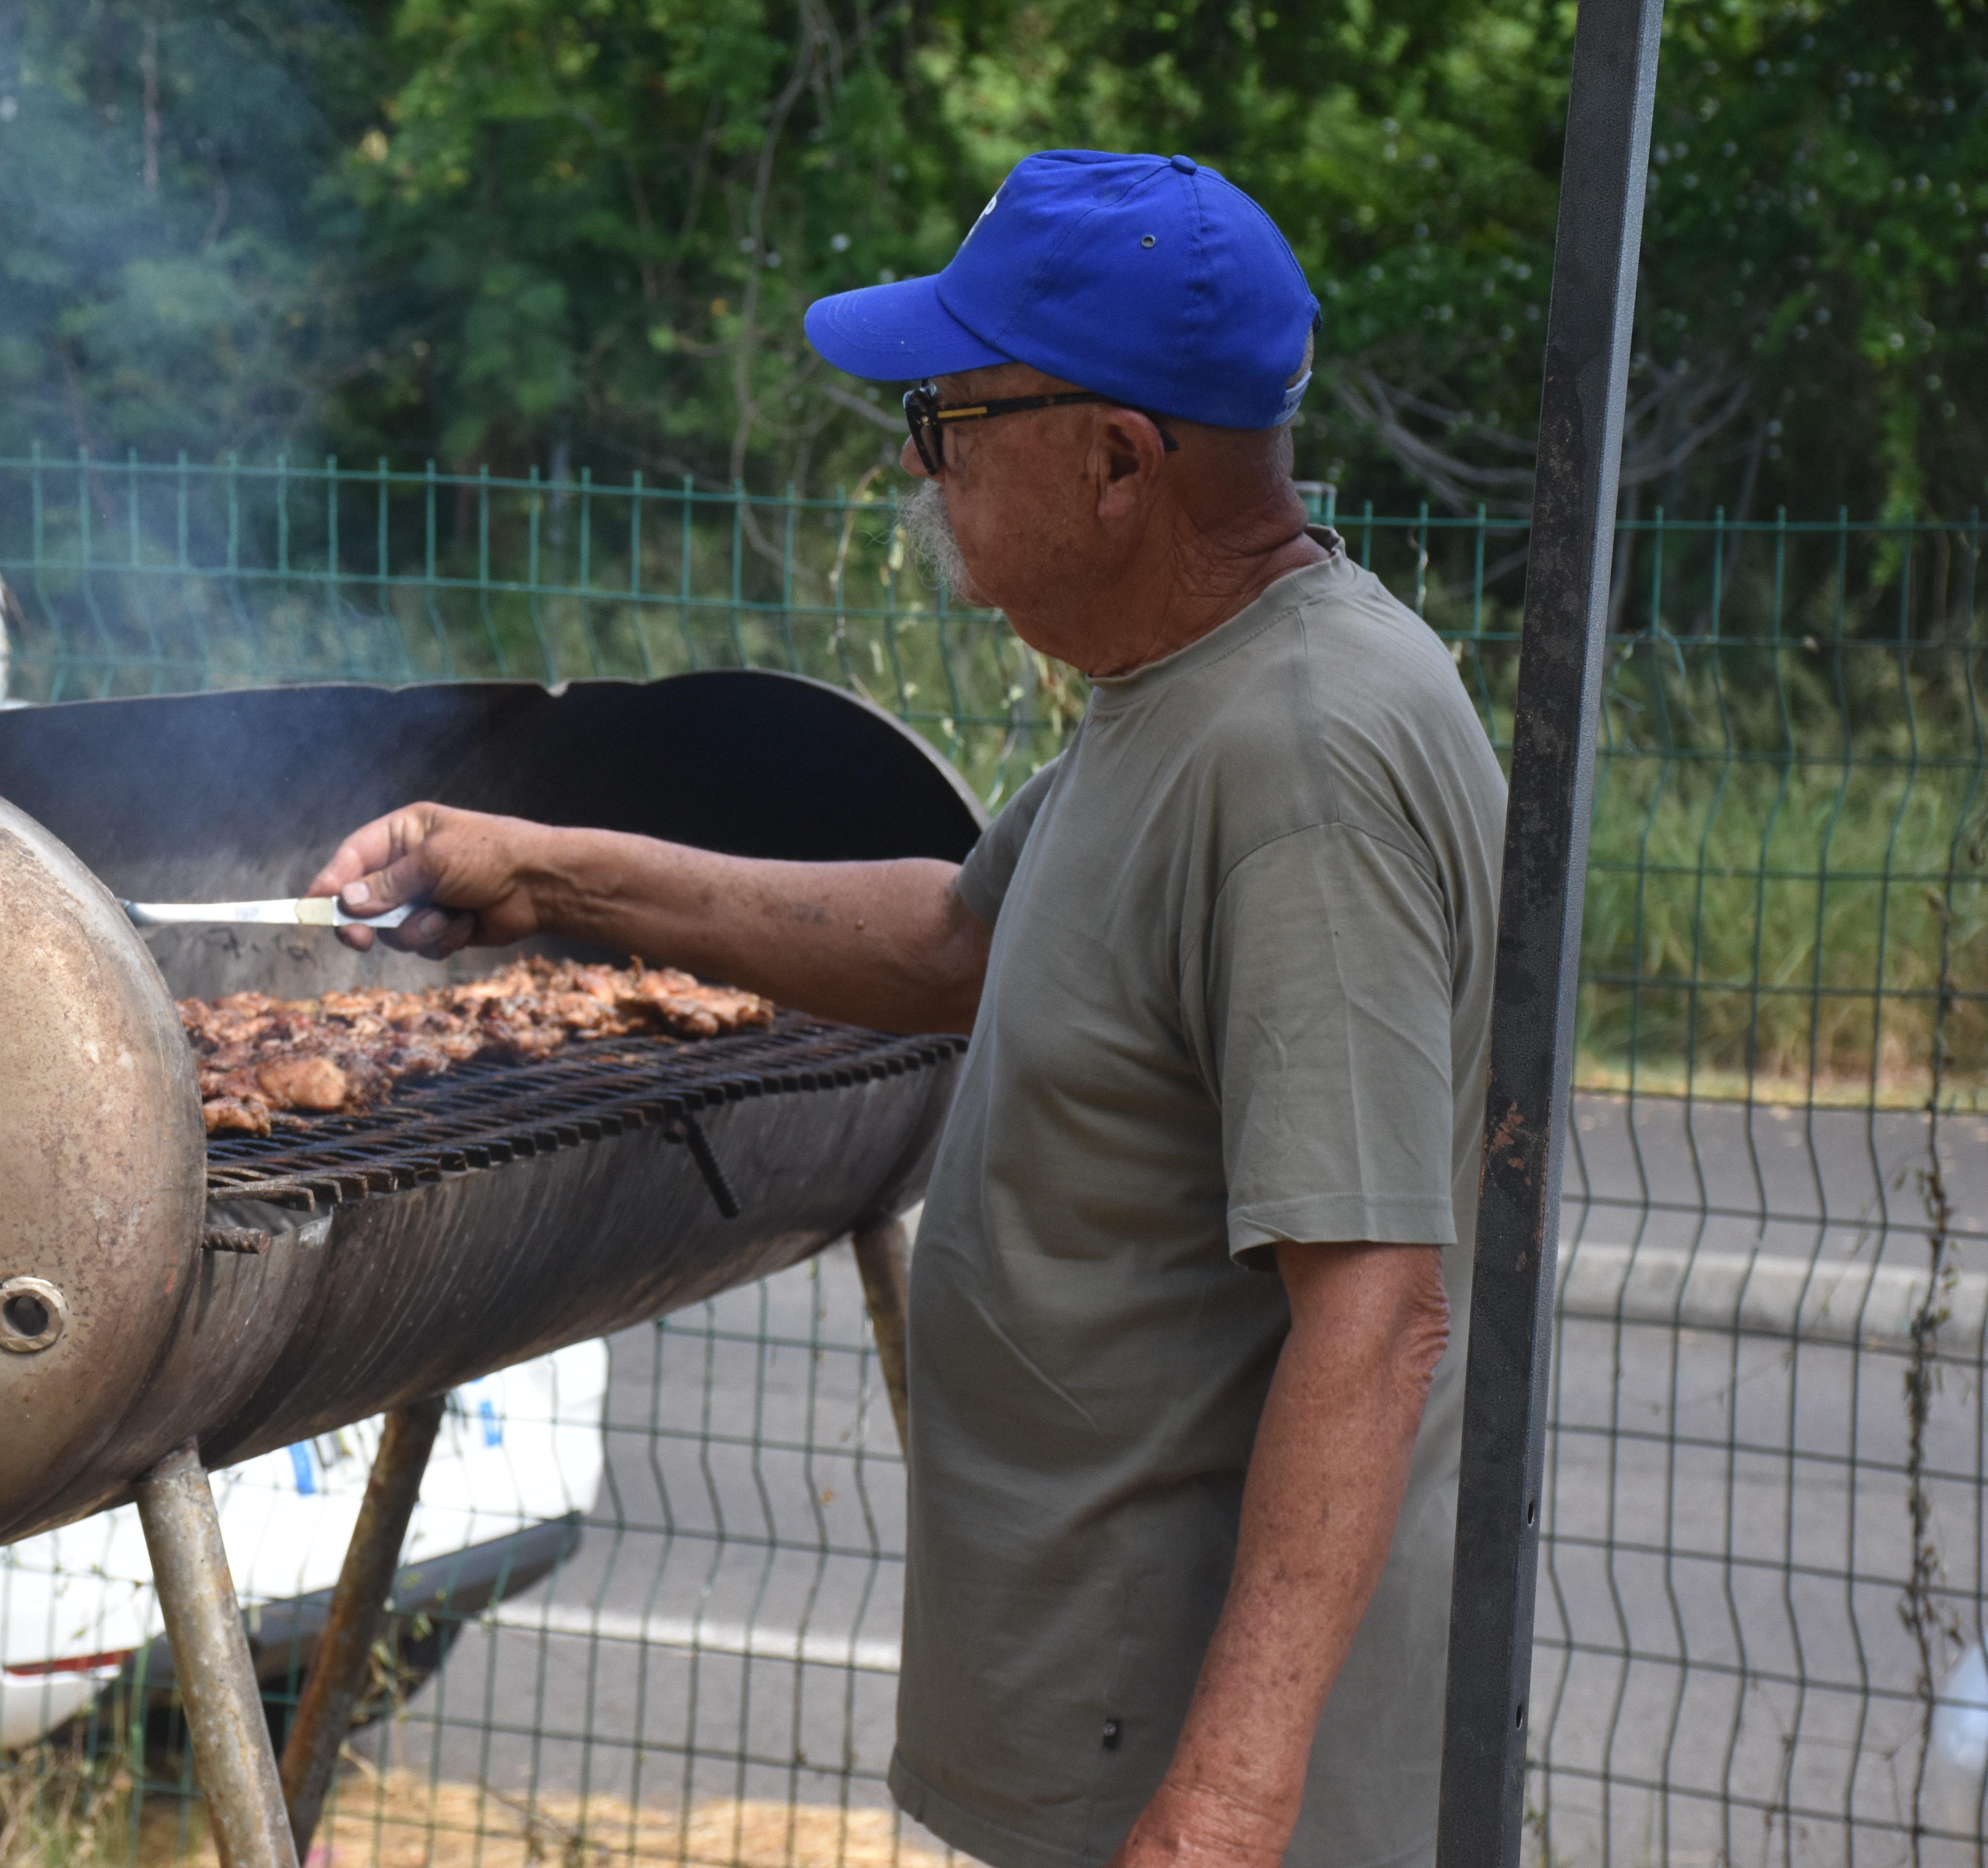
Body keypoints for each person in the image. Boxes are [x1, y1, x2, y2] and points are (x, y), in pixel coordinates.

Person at [304, 149, 1503, 1868]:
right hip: (1106, 1736)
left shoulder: (1296, 759)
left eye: (950, 415)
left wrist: (1225, 1807)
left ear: (1116, 461)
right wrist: (550, 875)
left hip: (1194, 1792)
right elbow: (961, 938)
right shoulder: (1187, 685)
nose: (916, 459)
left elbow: (1378, 1308)